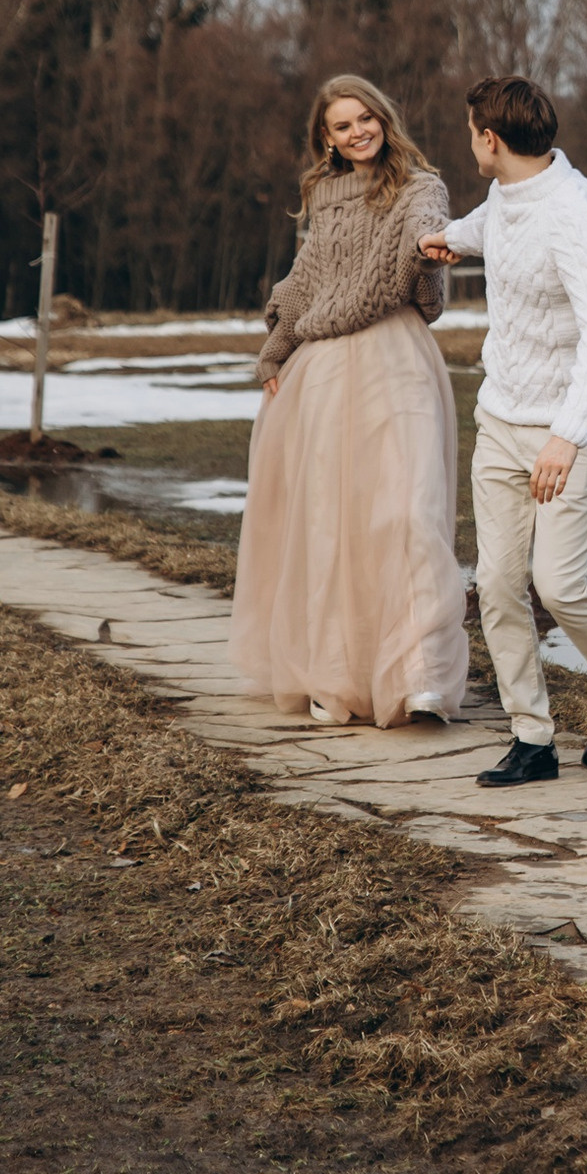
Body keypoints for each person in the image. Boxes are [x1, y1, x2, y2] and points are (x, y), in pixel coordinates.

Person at [419, 76, 587, 787]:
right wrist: (448, 239)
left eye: (471, 133)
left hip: (566, 430)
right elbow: (494, 225)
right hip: (501, 418)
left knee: (558, 583)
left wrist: (567, 434)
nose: (470, 143)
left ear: (490, 139)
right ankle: (532, 736)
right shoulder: (509, 191)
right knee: (495, 582)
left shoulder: (578, 212)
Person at [230, 74, 466, 728]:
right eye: (342, 124)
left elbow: (424, 227)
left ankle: (418, 675)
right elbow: (309, 280)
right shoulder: (324, 196)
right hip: (327, 371)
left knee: (409, 514)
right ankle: (334, 676)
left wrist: (425, 248)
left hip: (397, 363)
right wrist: (276, 347)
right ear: (325, 138)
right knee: (332, 522)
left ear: (384, 119)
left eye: (366, 117)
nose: (358, 131)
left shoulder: (420, 185)